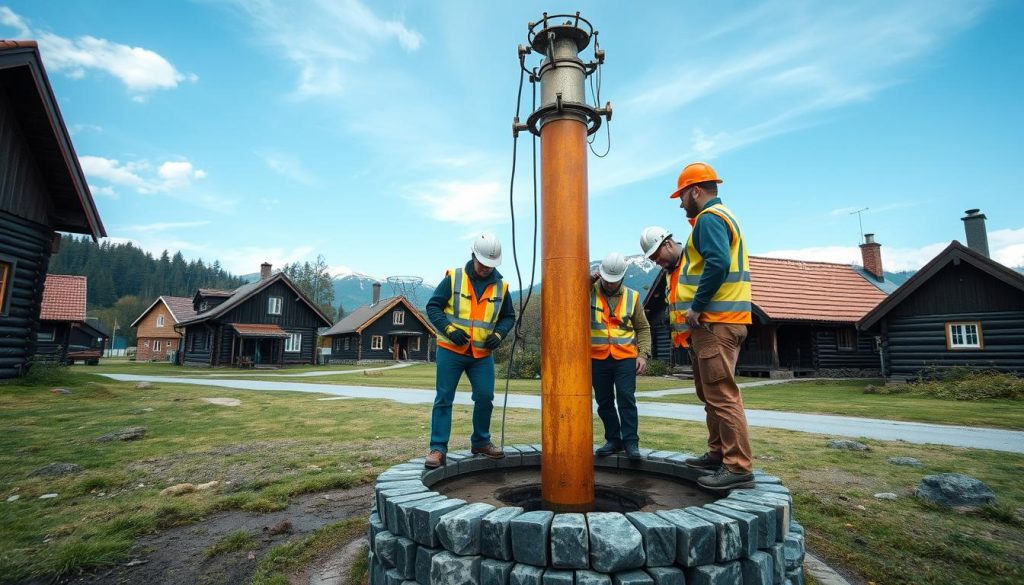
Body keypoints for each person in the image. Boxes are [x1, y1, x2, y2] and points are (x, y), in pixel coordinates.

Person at [640, 161, 754, 491]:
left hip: (716, 322)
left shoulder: (709, 219)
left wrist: (697, 308)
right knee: (712, 394)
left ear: (696, 191)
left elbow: (717, 264)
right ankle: (719, 454)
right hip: (721, 322)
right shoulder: (719, 218)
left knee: (722, 395)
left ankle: (737, 466)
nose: (680, 204)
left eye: (681, 196)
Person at [423, 232, 516, 468]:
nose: (486, 268)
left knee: (485, 397)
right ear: (473, 255)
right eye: (483, 263)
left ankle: (481, 442)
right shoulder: (453, 278)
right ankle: (437, 448)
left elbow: (508, 317)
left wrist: (499, 334)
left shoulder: (501, 286)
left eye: (490, 265)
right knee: (444, 398)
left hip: (482, 355)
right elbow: (433, 307)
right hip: (451, 349)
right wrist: (449, 329)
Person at [590, 252, 652, 460]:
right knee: (604, 401)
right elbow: (566, 292)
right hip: (597, 358)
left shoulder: (633, 297)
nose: (609, 285)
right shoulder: (587, 291)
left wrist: (642, 355)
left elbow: (643, 328)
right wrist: (587, 279)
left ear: (623, 278)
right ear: (601, 275)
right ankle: (613, 440)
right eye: (606, 280)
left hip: (625, 357)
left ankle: (631, 443)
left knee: (626, 399)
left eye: (614, 281)